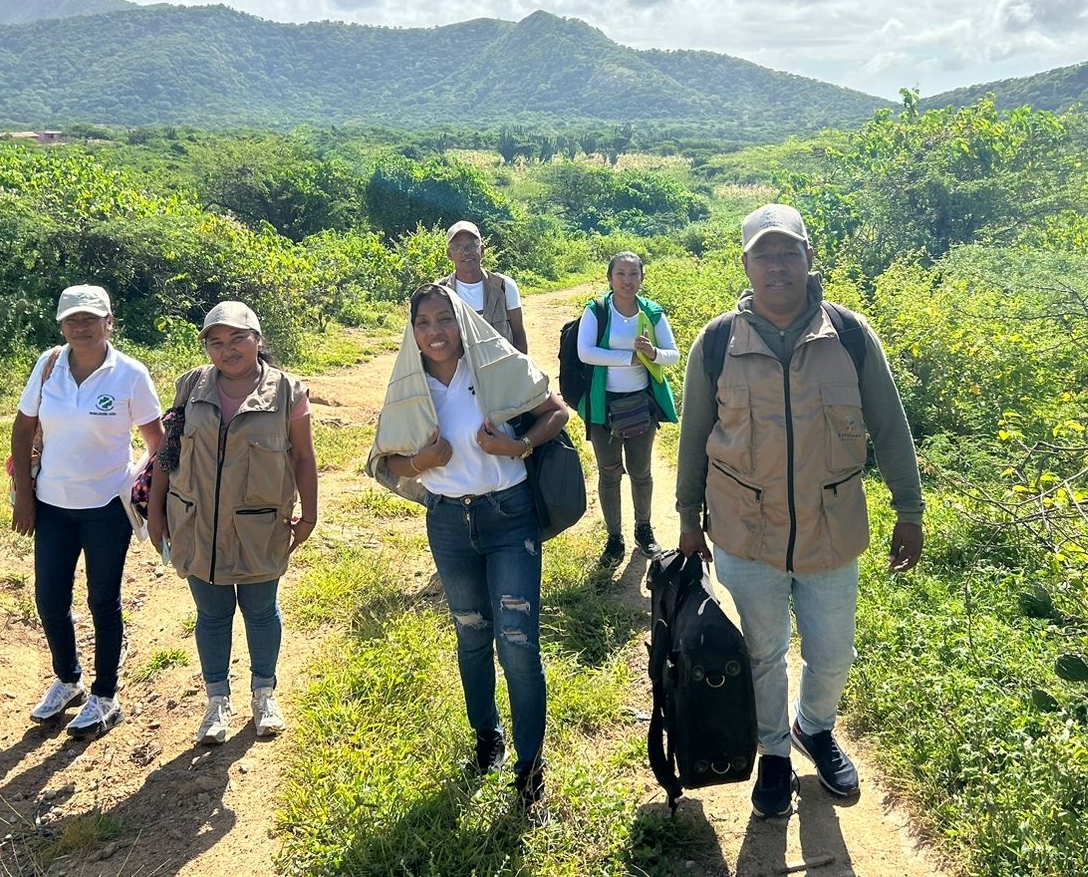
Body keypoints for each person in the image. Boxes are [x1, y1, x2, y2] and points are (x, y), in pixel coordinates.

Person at [676, 205, 925, 818]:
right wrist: (687, 515)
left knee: (833, 651)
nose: (778, 266)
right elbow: (694, 435)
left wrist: (909, 507)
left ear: (810, 259)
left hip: (830, 527)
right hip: (744, 528)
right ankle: (774, 757)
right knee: (759, 651)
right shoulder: (715, 344)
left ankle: (813, 728)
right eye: (765, 255)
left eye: (789, 253)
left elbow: (890, 427)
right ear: (746, 265)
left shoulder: (850, 335)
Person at [366, 284, 569, 807]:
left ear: (462, 322)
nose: (435, 332)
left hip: (509, 517)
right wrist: (420, 465)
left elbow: (557, 412)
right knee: (472, 634)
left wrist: (519, 444)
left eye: (444, 320)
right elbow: (385, 461)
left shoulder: (495, 363)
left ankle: (529, 767)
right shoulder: (408, 385)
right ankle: (488, 740)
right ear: (412, 330)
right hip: (450, 525)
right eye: (424, 322)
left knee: (519, 644)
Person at [146, 301, 319, 745]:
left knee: (261, 611)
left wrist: (311, 513)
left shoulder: (286, 392)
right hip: (195, 522)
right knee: (212, 614)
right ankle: (216, 701)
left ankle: (264, 693)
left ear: (258, 340)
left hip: (259, 525)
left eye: (238, 338)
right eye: (216, 342)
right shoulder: (191, 386)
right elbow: (168, 452)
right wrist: (156, 512)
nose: (228, 350)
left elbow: (303, 457)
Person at [11, 284, 164, 740]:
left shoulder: (130, 375)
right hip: (53, 506)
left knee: (102, 601)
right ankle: (68, 679)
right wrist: (24, 493)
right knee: (50, 601)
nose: (81, 326)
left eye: (91, 318)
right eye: (72, 319)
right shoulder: (48, 365)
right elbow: (23, 429)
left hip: (105, 510)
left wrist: (130, 482)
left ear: (109, 323)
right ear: (61, 325)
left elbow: (156, 442)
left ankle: (105, 694)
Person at [575, 251, 679, 566]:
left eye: (633, 274)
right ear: (610, 278)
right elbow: (585, 352)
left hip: (640, 404)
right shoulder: (596, 311)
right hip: (602, 405)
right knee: (608, 473)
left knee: (641, 471)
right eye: (620, 274)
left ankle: (644, 530)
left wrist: (654, 353)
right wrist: (630, 359)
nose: (627, 280)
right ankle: (614, 538)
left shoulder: (653, 313)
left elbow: (673, 354)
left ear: (642, 278)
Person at [441, 220, 528, 353]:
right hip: (463, 371)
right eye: (458, 248)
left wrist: (520, 370)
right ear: (449, 254)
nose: (466, 253)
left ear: (481, 250)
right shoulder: (440, 292)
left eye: (472, 246)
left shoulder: (504, 287)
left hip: (501, 369)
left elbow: (519, 335)